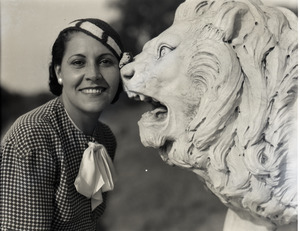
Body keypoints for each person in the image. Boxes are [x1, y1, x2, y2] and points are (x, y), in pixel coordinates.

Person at [0, 18, 124, 230]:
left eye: (106, 62)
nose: (93, 74)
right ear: (59, 72)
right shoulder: (33, 136)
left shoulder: (105, 138)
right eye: (78, 62)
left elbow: (93, 222)